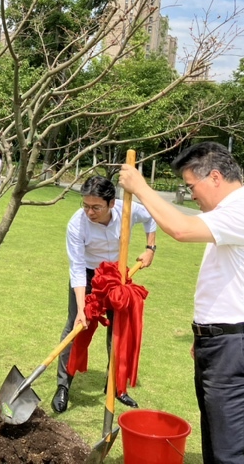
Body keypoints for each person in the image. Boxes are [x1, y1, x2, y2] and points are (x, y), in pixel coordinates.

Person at [118, 142, 244, 464]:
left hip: (240, 347)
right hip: (223, 343)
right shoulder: (228, 216)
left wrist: (140, 187)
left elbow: (180, 229)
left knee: (229, 454)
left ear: (216, 177)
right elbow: (225, 284)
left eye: (192, 186)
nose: (191, 194)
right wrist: (205, 332)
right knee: (217, 446)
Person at [52, 175, 157, 414]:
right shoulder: (76, 225)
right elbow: (76, 268)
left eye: (96, 207)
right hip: (88, 277)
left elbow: (152, 216)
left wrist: (151, 248)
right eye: (86, 206)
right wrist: (81, 309)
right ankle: (63, 386)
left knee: (119, 329)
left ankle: (116, 387)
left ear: (111, 203)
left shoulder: (127, 209)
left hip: (117, 275)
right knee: (75, 327)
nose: (89, 212)